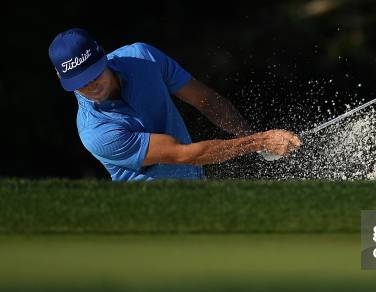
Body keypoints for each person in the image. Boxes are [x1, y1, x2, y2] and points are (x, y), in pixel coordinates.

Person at [48, 28, 301, 181]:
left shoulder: (142, 58)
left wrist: (252, 138)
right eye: (81, 82)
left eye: (95, 73)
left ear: (102, 54)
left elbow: (205, 100)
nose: (91, 85)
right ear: (61, 79)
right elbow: (184, 154)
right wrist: (260, 142)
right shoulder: (96, 132)